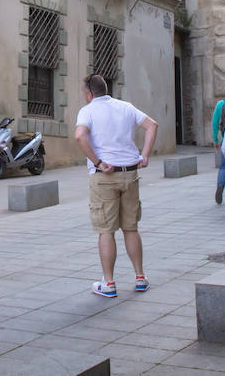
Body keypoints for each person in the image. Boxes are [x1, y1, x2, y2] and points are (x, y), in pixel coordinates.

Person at [74, 74, 157, 298]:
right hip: (129, 174)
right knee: (131, 228)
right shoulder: (126, 106)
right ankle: (140, 277)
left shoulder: (88, 110)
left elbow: (80, 136)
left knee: (106, 230)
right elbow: (152, 126)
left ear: (89, 94)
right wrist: (145, 155)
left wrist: (98, 161)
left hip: (104, 175)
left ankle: (109, 283)